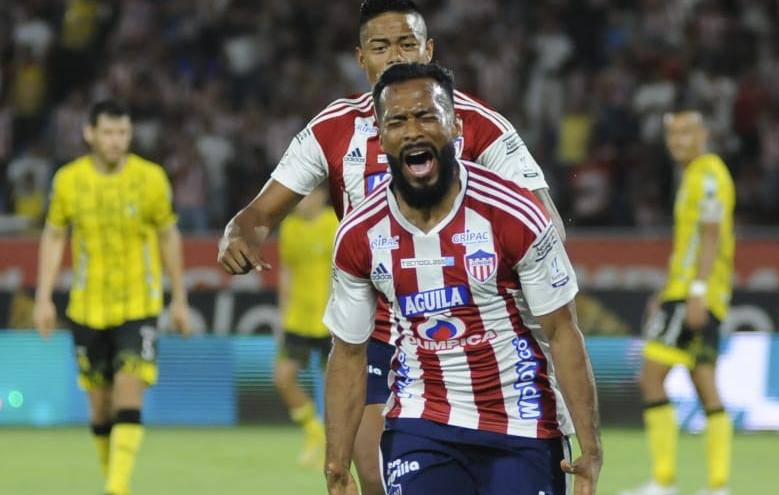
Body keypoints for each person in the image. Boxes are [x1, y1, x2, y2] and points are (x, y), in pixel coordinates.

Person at [216, 2, 564, 492]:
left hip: (477, 334)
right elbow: (257, 214)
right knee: (381, 479)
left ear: (429, 49)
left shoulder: (478, 124)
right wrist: (239, 236)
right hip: (380, 337)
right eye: (380, 47)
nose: (395, 56)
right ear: (361, 57)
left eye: (407, 43)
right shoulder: (333, 129)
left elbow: (545, 223)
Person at [321, 63, 601, 495]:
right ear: (381, 135)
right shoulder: (360, 234)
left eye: (427, 116)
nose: (412, 130)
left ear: (455, 126)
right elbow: (349, 353)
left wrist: (590, 449)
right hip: (421, 422)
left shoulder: (515, 214)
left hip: (523, 425)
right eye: (397, 121)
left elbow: (563, 333)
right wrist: (337, 463)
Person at [32, 100, 191, 495]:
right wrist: (43, 298)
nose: (116, 141)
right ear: (89, 133)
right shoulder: (68, 180)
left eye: (122, 133)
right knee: (100, 406)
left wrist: (179, 298)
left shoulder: (151, 178)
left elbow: (169, 235)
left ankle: (117, 487)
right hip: (87, 306)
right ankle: (113, 479)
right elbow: (54, 236)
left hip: (139, 304)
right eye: (108, 132)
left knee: (129, 386)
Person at [624, 111, 735, 495]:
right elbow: (689, 245)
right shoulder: (694, 175)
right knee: (704, 382)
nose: (678, 140)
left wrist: (697, 291)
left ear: (704, 134)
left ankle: (664, 480)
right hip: (689, 290)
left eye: (687, 132)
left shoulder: (707, 176)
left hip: (693, 294)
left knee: (651, 378)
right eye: (672, 134)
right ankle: (718, 486)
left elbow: (710, 234)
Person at [274, 186, 337, 467]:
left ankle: (336, 445)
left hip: (331, 319)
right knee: (283, 377)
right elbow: (286, 272)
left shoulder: (335, 224)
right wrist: (283, 314)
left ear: (322, 196)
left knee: (334, 387)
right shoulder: (289, 228)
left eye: (308, 195)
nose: (301, 201)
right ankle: (314, 431)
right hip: (298, 318)